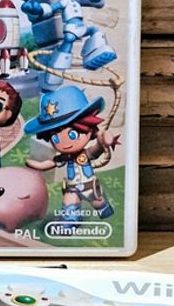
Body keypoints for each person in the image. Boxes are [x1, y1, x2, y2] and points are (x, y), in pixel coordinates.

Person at [25, 85, 118, 230]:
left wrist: (103, 142)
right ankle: (69, 223)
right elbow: (51, 163)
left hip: (90, 187)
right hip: (72, 188)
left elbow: (97, 149)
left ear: (88, 128)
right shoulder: (64, 157)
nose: (65, 143)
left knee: (100, 205)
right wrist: (37, 165)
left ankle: (106, 212)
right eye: (55, 138)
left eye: (72, 134)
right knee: (69, 203)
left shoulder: (85, 154)